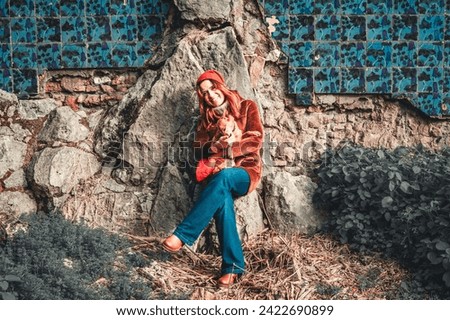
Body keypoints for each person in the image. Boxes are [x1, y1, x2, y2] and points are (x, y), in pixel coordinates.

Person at [162, 69, 264, 288]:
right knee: (222, 202)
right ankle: (233, 268)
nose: (210, 95)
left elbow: (255, 141)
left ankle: (183, 234)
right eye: (204, 93)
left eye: (212, 88)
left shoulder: (247, 106)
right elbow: (199, 151)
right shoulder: (204, 121)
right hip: (217, 175)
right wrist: (217, 143)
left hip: (245, 171)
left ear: (221, 86)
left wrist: (228, 149)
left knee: (226, 177)